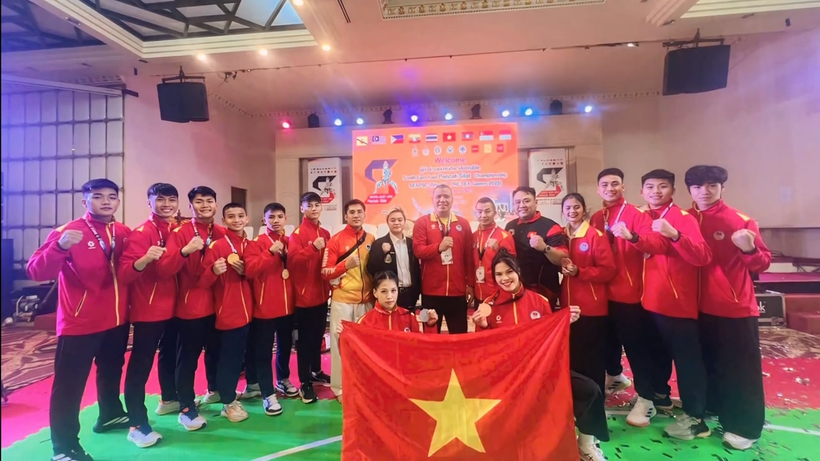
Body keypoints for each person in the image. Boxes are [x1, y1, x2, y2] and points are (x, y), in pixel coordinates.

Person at [27, 179, 131, 461]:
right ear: (85, 202)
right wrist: (59, 248)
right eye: (98, 196)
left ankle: (110, 414)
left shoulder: (122, 232)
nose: (106, 201)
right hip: (80, 323)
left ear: (118, 201)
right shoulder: (68, 232)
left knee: (111, 370)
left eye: (112, 196)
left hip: (117, 319)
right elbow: (36, 272)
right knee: (69, 385)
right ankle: (63, 446)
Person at [472, 250, 607, 461]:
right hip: (507, 376)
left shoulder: (540, 301)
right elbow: (483, 350)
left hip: (541, 370)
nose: (505, 278)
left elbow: (552, 339)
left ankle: (585, 444)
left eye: (509, 272)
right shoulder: (487, 306)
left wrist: (563, 323)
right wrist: (482, 326)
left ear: (518, 271)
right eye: (499, 274)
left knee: (589, 390)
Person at [686, 165, 771, 450]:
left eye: (712, 185)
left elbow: (762, 263)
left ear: (722, 188)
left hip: (732, 307)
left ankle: (744, 425)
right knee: (706, 364)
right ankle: (713, 406)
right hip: (693, 307)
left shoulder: (740, 220)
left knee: (740, 368)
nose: (704, 191)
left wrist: (749, 248)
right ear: (689, 190)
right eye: (698, 186)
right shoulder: (684, 219)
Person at [589, 168, 670, 427]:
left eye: (615, 183)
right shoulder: (596, 217)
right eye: (605, 184)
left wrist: (632, 237)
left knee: (636, 349)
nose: (610, 188)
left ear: (623, 187)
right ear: (598, 189)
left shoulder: (637, 214)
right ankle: (615, 376)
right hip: (603, 293)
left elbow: (657, 245)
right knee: (606, 341)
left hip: (629, 294)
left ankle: (646, 399)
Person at [638, 169, 713, 440]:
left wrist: (675, 235)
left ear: (672, 190)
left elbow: (703, 256)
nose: (656, 191)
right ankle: (661, 397)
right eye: (650, 187)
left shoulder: (682, 218)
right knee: (656, 354)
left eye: (662, 186)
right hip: (649, 302)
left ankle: (696, 418)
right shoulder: (642, 216)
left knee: (687, 362)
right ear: (642, 191)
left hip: (677, 304)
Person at [156, 186, 225, 431]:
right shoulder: (181, 233)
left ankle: (215, 391)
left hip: (218, 305)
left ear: (216, 204)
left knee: (215, 352)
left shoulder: (221, 231)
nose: (205, 205)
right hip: (190, 306)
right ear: (190, 206)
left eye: (209, 200)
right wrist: (185, 251)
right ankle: (186, 407)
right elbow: (164, 270)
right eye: (199, 201)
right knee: (188, 359)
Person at [119, 183, 181, 448]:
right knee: (141, 364)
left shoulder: (178, 230)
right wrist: (143, 259)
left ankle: (169, 399)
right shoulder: (142, 233)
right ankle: (136, 423)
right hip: (149, 308)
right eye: (161, 199)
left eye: (171, 199)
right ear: (150, 202)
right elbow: (124, 274)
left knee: (170, 355)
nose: (167, 204)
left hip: (177, 307)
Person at [199, 203, 254, 422]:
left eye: (240, 216)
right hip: (228, 311)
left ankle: (221, 392)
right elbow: (202, 281)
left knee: (232, 355)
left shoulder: (251, 245)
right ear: (224, 221)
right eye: (231, 216)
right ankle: (228, 403)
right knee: (230, 358)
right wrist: (214, 271)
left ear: (247, 219)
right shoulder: (218, 246)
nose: (236, 220)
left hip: (248, 310)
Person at [242, 203, 298, 416]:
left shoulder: (290, 241)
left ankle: (283, 379)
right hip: (264, 308)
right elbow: (249, 271)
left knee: (285, 346)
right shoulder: (256, 243)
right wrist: (269, 252)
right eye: (271, 217)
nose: (276, 221)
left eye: (279, 216)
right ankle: (267, 393)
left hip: (288, 306)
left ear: (285, 219)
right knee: (264, 352)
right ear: (264, 219)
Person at [559, 193, 617, 394]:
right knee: (572, 355)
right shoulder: (561, 236)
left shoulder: (595, 236)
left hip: (591, 308)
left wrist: (580, 272)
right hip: (567, 307)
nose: (572, 211)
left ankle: (596, 398)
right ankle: (578, 398)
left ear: (584, 209)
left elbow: (608, 270)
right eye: (567, 207)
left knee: (592, 358)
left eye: (576, 207)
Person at [321, 199, 376, 402]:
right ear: (346, 216)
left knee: (365, 347)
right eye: (352, 212)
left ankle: (363, 384)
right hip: (342, 301)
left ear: (364, 214)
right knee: (340, 345)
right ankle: (340, 388)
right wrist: (345, 265)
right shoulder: (335, 240)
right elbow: (325, 272)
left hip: (367, 302)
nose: (356, 215)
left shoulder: (371, 238)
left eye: (359, 211)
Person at [288, 192, 332, 403]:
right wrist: (313, 247)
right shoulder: (297, 234)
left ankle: (316, 371)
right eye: (309, 205)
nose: (314, 209)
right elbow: (292, 261)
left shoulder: (325, 232)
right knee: (305, 343)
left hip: (322, 295)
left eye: (317, 205)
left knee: (317, 337)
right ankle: (305, 382)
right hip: (304, 299)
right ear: (302, 208)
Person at [413, 184, 475, 334]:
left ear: (452, 200)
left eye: (446, 196)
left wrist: (470, 284)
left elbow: (468, 257)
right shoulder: (422, 222)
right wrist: (438, 248)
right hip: (430, 292)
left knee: (459, 336)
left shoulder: (463, 224)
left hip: (457, 291)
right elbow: (418, 251)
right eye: (438, 196)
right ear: (432, 199)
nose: (442, 200)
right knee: (430, 335)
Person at [504, 186, 568, 306]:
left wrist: (545, 248)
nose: (522, 205)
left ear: (536, 202)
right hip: (517, 289)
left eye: (526, 201)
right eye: (517, 202)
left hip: (543, 292)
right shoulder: (510, 226)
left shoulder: (550, 226)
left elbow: (563, 259)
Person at [338, 271, 438, 334]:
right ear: (375, 293)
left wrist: (430, 326)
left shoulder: (409, 317)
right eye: (383, 291)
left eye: (393, 290)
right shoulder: (365, 321)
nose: (389, 296)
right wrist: (344, 336)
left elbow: (422, 346)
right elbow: (355, 351)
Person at [366, 207, 421, 311]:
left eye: (400, 220)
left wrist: (417, 291)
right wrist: (382, 253)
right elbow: (370, 268)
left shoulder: (412, 243)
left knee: (408, 321)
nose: (396, 223)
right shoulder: (379, 243)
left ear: (405, 222)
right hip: (390, 295)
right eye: (393, 220)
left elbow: (417, 269)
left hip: (410, 294)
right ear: (387, 222)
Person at [472, 197, 516, 301]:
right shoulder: (473, 236)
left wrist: (499, 250)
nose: (483, 215)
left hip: (498, 293)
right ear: (476, 214)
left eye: (487, 211)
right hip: (478, 292)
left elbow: (513, 264)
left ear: (495, 213)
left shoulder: (505, 236)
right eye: (480, 212)